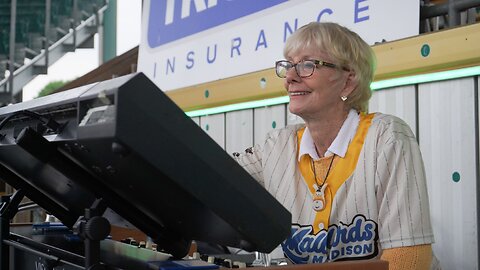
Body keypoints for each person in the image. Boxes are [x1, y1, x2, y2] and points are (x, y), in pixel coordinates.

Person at [233, 22, 434, 269]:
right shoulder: (276, 145)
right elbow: (213, 176)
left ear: (348, 80)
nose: (290, 77)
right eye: (288, 65)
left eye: (308, 65)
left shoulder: (387, 137)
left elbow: (410, 261)